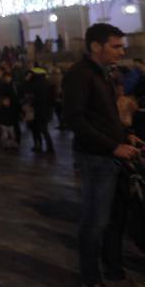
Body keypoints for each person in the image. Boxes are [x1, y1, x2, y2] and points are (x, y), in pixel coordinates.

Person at [64, 23, 145, 286]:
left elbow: (104, 116)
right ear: (96, 46)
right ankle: (91, 277)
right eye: (116, 46)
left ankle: (113, 267)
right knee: (95, 221)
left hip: (113, 154)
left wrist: (125, 136)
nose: (122, 51)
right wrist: (113, 146)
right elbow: (75, 119)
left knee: (116, 217)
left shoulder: (104, 73)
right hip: (96, 158)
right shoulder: (79, 74)